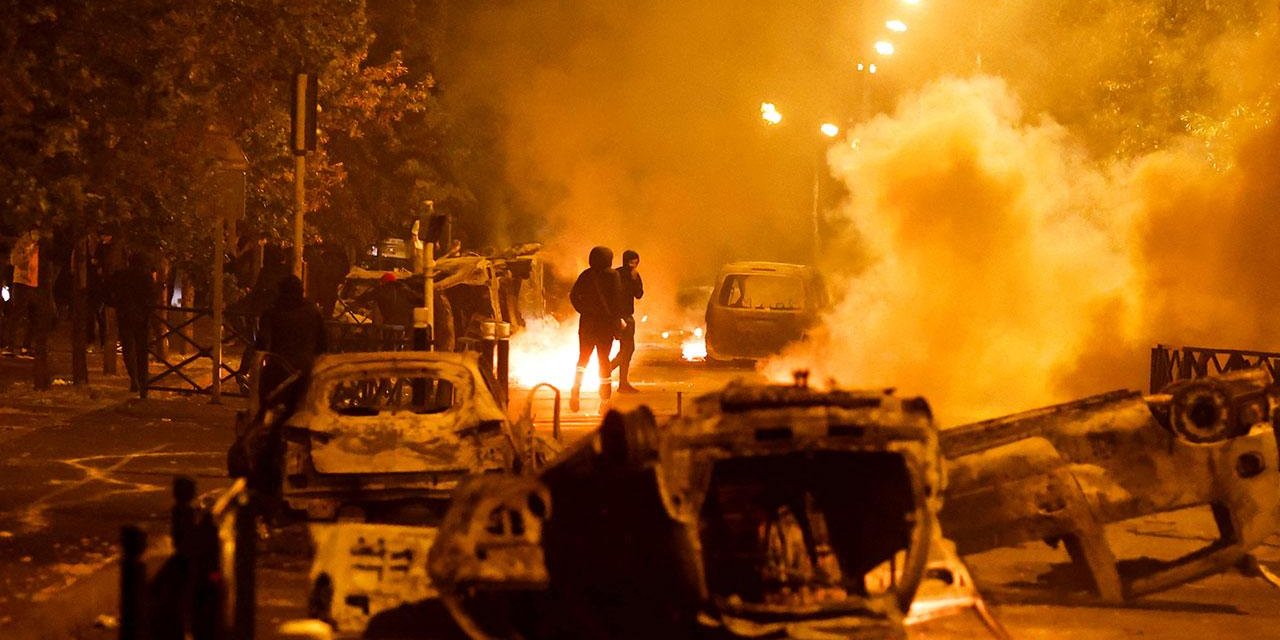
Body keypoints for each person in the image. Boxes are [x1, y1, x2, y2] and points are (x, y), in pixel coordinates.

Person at [255, 275, 327, 411]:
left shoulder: (272, 312)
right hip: (307, 369)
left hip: (279, 368)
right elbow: (323, 343)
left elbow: (262, 342)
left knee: (267, 406)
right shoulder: (312, 312)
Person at [568, 246, 624, 412]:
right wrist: (617, 324)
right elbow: (616, 301)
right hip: (605, 325)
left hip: (587, 324)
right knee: (603, 360)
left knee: (583, 359)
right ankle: (605, 400)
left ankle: (575, 389)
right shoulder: (613, 275)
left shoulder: (586, 274)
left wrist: (584, 310)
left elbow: (573, 296)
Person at [108, 251, 157, 396]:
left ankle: (134, 378)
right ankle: (143, 381)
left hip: (124, 315)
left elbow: (109, 291)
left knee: (128, 348)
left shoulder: (120, 275)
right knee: (141, 349)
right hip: (141, 317)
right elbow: (152, 296)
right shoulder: (146, 277)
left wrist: (116, 303)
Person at [610, 249, 644, 393]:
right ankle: (608, 372)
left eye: (636, 263)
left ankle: (620, 381)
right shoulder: (616, 274)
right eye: (631, 262)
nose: (633, 265)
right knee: (627, 349)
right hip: (619, 316)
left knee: (627, 350)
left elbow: (639, 294)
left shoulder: (634, 275)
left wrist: (635, 279)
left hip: (628, 316)